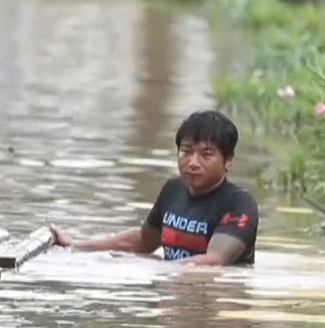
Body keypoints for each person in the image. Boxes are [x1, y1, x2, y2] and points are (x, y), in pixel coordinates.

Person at [50, 110, 260, 267]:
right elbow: (143, 241)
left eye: (206, 155)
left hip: (217, 304)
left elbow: (213, 263)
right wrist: (76, 246)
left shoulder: (240, 204)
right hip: (171, 300)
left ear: (227, 161)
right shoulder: (173, 189)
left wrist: (149, 267)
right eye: (186, 151)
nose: (193, 162)